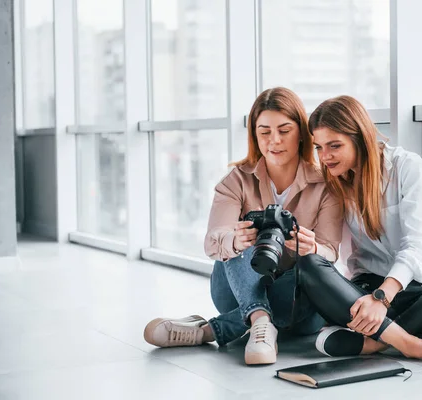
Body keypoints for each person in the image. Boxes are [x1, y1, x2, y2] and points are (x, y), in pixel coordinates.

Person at [143, 87, 343, 365]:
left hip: (298, 300)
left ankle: (210, 330)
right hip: (236, 292)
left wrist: (313, 247)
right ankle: (260, 321)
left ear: (301, 133)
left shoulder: (325, 185)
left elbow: (332, 251)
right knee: (238, 241)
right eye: (264, 132)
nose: (274, 141)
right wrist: (236, 240)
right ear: (254, 135)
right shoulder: (237, 180)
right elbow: (213, 241)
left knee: (311, 270)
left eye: (284, 131)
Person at [298, 95, 422, 363]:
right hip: (364, 293)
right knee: (308, 264)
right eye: (319, 147)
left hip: (421, 294)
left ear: (360, 138)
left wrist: (382, 299)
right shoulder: (333, 182)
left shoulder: (408, 167)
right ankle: (414, 344)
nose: (325, 156)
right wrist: (312, 246)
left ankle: (374, 343)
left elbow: (419, 244)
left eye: (334, 146)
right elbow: (330, 253)